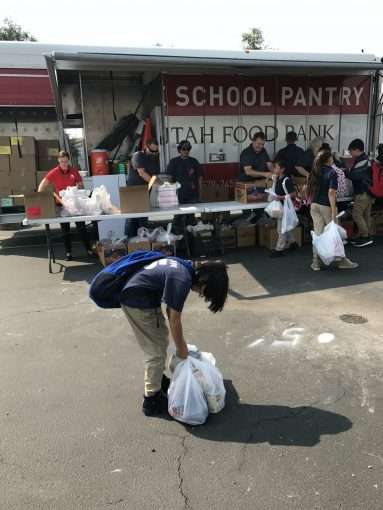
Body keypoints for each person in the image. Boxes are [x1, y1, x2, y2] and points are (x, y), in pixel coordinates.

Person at [120, 257, 229, 416]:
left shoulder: (185, 267)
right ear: (204, 280)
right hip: (137, 301)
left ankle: (158, 379)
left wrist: (181, 347)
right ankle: (151, 400)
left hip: (140, 296)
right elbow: (175, 319)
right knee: (156, 352)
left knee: (160, 339)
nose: (201, 295)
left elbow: (171, 311)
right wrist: (181, 348)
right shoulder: (182, 279)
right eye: (205, 292)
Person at [307, 149, 358, 271]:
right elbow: (331, 192)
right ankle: (342, 261)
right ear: (329, 160)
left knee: (318, 234)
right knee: (335, 233)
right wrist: (334, 210)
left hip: (314, 205)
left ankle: (315, 262)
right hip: (326, 205)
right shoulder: (332, 172)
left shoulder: (315, 172)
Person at [38, 150, 92, 261]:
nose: (64, 164)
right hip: (61, 205)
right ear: (58, 161)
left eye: (66, 161)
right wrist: (40, 197)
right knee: (65, 230)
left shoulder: (74, 171)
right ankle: (68, 253)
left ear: (68, 160)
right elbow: (42, 185)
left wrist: (79, 193)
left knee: (82, 228)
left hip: (74, 205)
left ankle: (89, 250)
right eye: (62, 161)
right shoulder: (54, 172)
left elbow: (81, 186)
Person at [124, 138, 160, 238]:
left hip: (145, 192)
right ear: (146, 147)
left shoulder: (154, 159)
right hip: (133, 192)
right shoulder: (138, 155)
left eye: (156, 151)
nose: (154, 153)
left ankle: (142, 243)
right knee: (131, 220)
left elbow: (155, 176)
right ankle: (129, 242)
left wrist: (164, 184)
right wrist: (156, 184)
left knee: (143, 220)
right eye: (152, 151)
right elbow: (142, 173)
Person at [346, 139, 374, 247]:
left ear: (357, 150)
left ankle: (365, 236)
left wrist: (345, 172)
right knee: (365, 215)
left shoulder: (362, 160)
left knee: (356, 214)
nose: (350, 154)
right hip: (368, 192)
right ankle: (365, 235)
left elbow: (356, 176)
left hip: (362, 192)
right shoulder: (366, 160)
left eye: (351, 151)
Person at [270, 160, 299, 258]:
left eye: (276, 167)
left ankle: (279, 249)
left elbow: (293, 194)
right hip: (282, 206)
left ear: (282, 169)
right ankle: (293, 243)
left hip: (285, 207)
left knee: (280, 229)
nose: (274, 169)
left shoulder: (286, 180)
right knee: (284, 227)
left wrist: (281, 197)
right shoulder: (278, 179)